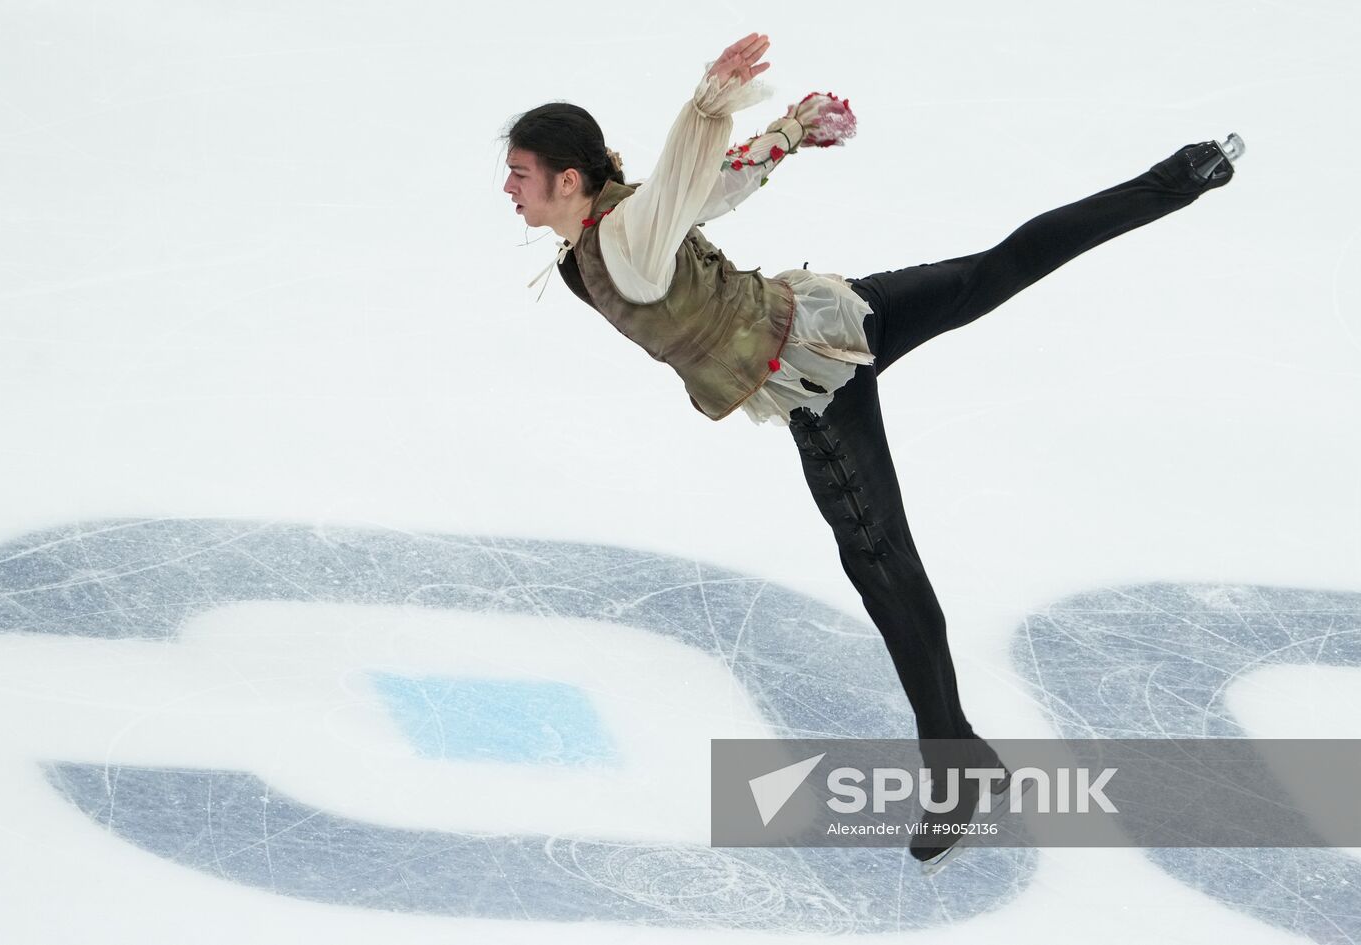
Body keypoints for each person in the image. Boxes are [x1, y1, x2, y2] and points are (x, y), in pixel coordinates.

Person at [500, 32, 1243, 869]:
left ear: (569, 179)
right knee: (994, 271)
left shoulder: (626, 230)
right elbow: (708, 190)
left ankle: (957, 759)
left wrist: (709, 106)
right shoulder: (607, 235)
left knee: (881, 560)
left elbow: (683, 176)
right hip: (836, 313)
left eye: (521, 173)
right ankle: (1182, 176)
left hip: (812, 380)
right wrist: (787, 130)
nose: (508, 188)